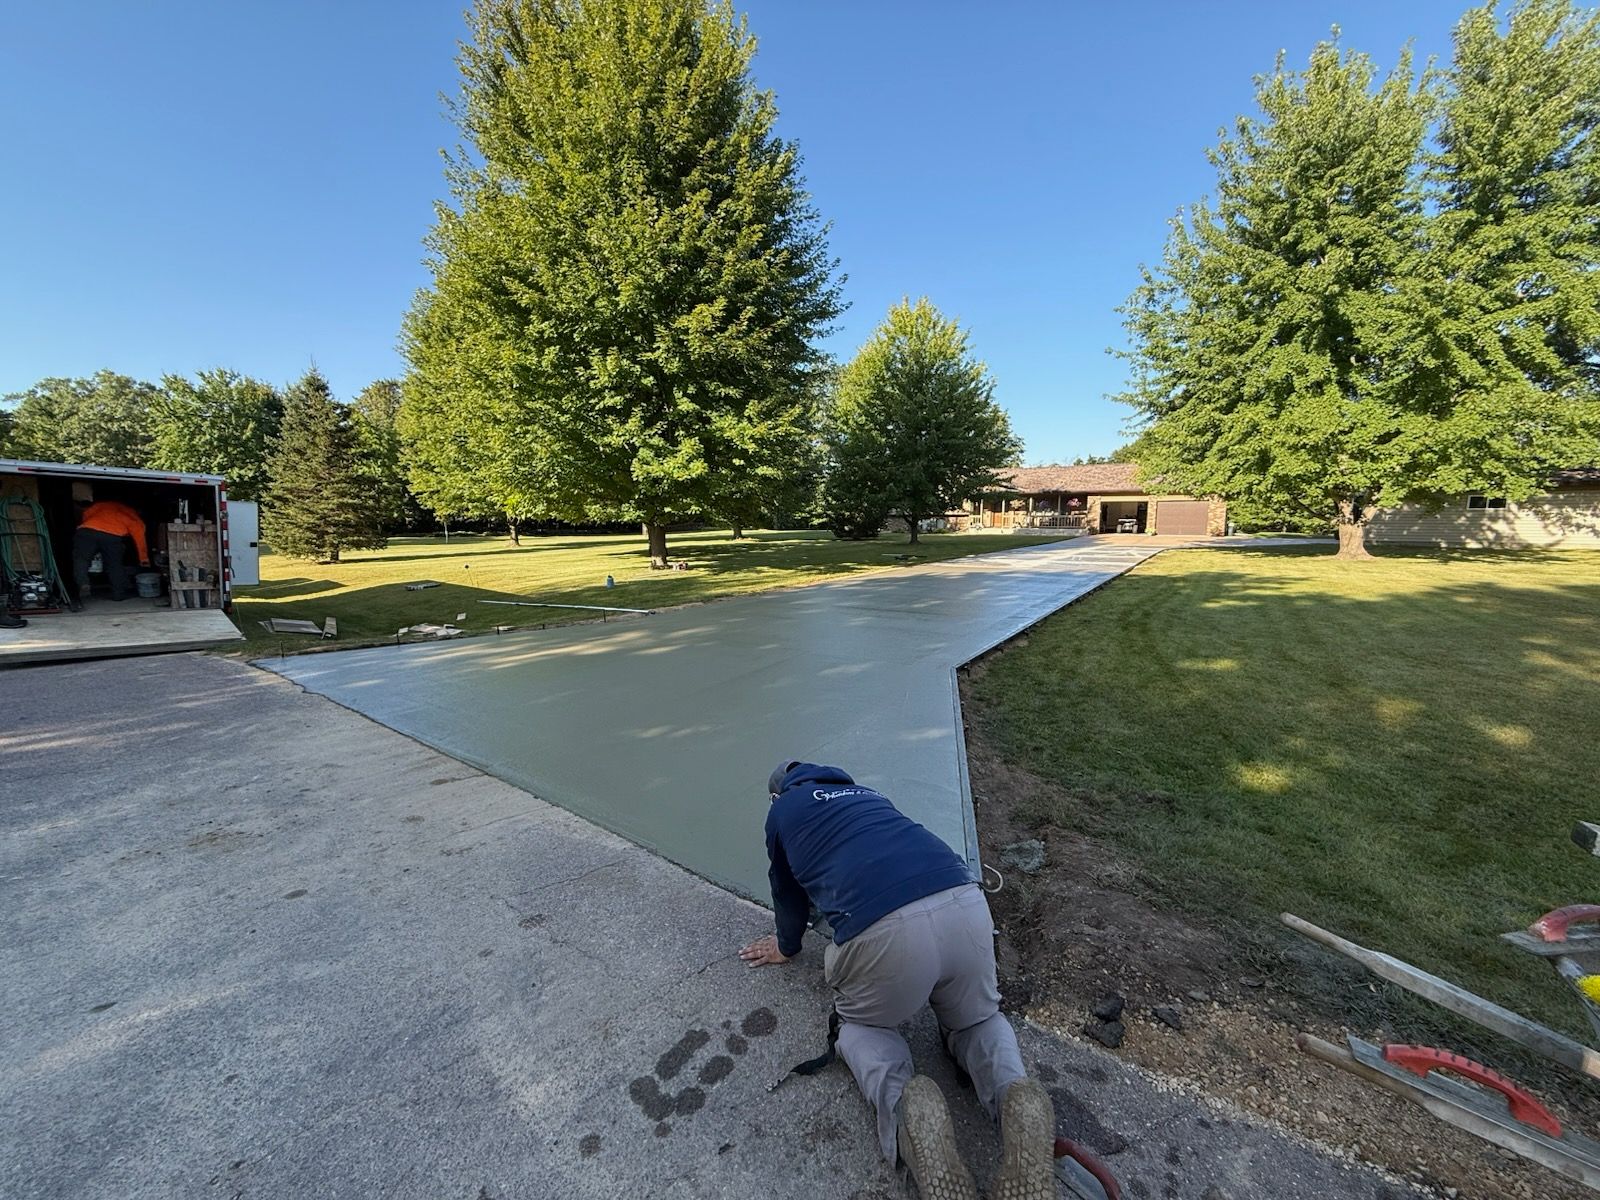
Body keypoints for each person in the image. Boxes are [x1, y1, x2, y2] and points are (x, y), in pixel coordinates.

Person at [741, 761, 1055, 1200]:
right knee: (978, 1020)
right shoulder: (869, 796)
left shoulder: (783, 809)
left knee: (863, 1028)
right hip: (964, 903)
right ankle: (1014, 1097)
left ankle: (907, 1106)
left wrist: (787, 946)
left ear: (779, 793)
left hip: (885, 933)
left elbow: (786, 890)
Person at [73, 499, 150, 602]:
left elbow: (86, 514)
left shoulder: (102, 505)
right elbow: (140, 539)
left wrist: (92, 526)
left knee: (81, 559)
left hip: (87, 531)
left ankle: (83, 583)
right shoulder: (134, 517)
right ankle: (118, 594)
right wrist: (143, 559)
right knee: (114, 565)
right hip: (112, 536)